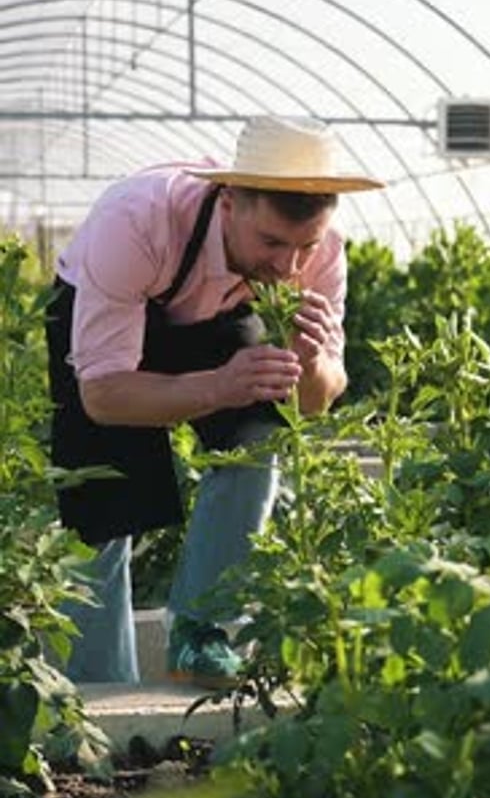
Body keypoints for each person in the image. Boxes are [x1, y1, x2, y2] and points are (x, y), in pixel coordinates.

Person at [45, 115, 383, 688]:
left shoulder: (318, 255)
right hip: (112, 320)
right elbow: (103, 394)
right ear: (229, 203)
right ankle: (99, 686)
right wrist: (217, 386)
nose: (289, 267)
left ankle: (202, 632)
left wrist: (310, 358)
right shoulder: (136, 222)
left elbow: (316, 402)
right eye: (273, 242)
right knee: (103, 497)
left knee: (262, 427)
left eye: (305, 246)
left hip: (223, 311)